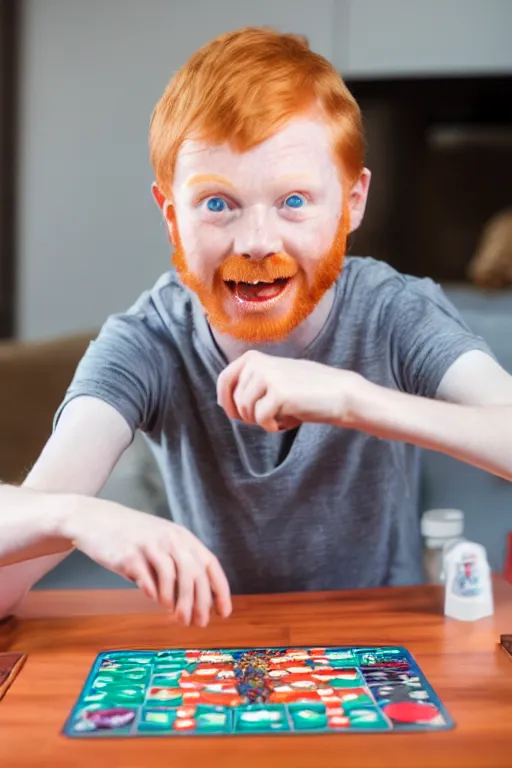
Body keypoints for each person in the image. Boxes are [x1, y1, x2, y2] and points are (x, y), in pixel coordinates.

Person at [1, 27, 512, 627]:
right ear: (172, 216)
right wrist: (71, 516)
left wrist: (351, 398)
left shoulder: (393, 311)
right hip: (216, 658)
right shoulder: (146, 342)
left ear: (352, 203)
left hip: (382, 650)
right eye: (218, 204)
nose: (257, 243)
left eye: (293, 200)